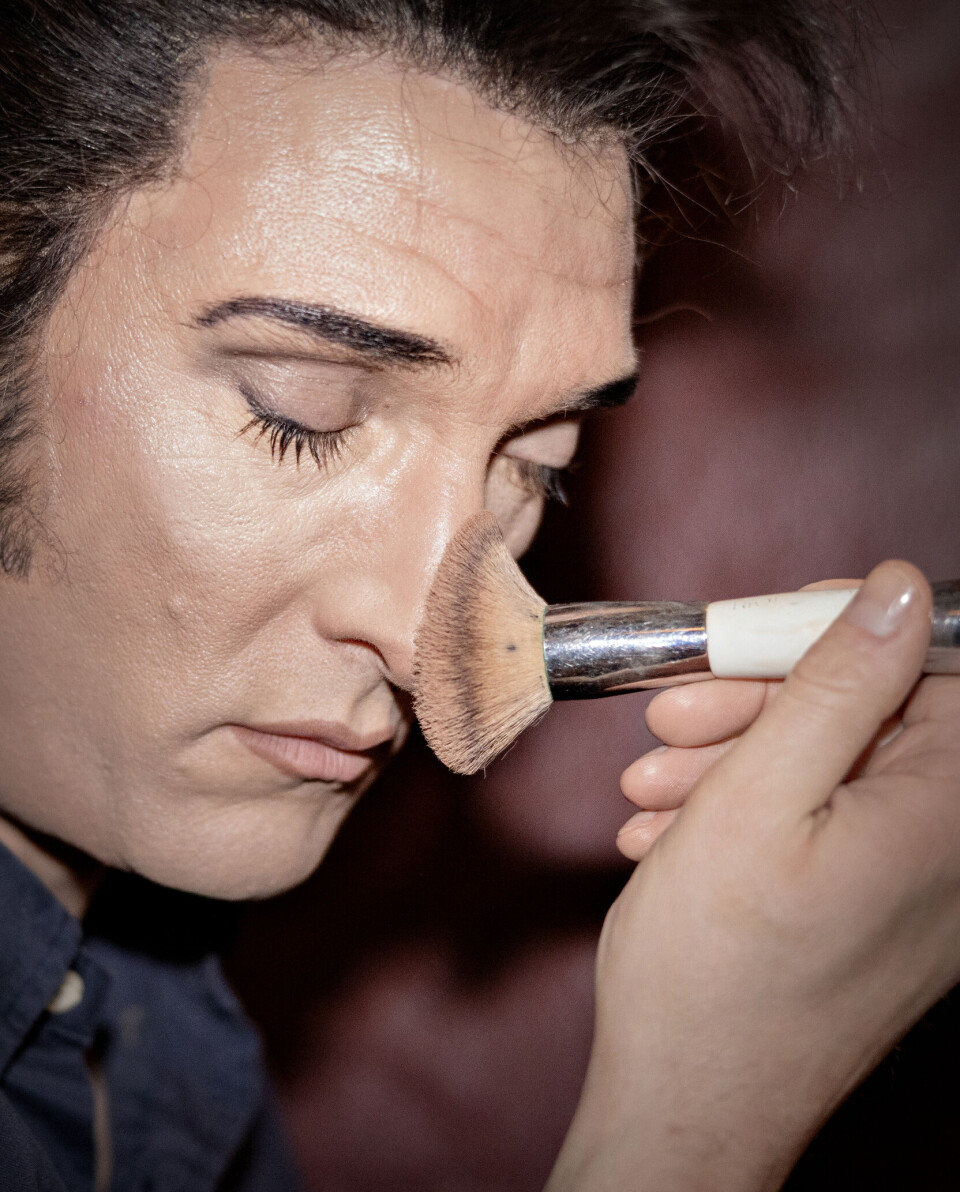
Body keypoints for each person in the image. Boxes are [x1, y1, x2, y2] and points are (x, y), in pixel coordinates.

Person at [0, 2, 957, 1190]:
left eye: (538, 469)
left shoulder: (151, 1019)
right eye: (303, 416)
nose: (425, 637)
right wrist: (694, 1127)